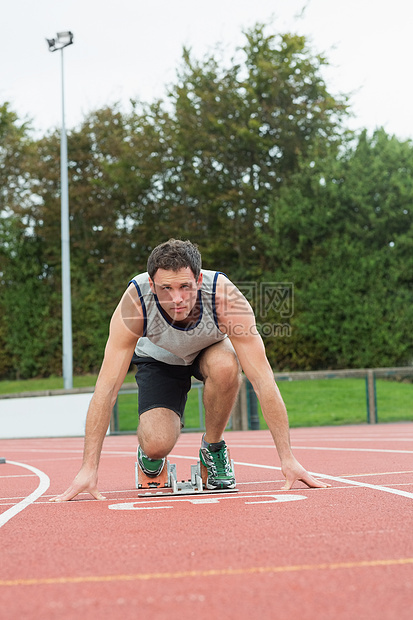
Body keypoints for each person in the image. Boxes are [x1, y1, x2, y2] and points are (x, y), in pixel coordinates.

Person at [50, 239, 329, 502]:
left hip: (210, 350)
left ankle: (213, 448)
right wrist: (88, 468)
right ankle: (150, 457)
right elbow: (106, 389)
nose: (177, 298)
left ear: (198, 279)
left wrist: (288, 458)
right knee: (157, 442)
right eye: (165, 289)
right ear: (151, 284)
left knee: (226, 366)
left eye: (185, 286)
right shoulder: (135, 302)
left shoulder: (224, 296)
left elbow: (263, 379)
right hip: (159, 359)